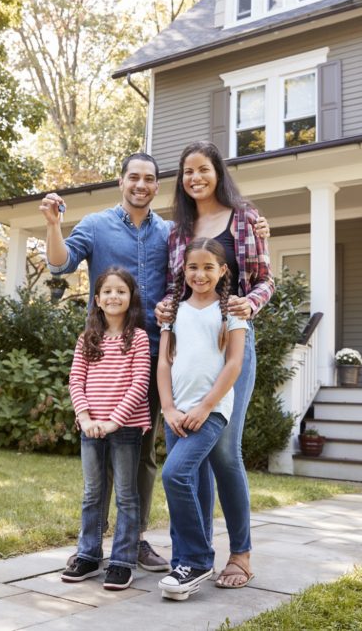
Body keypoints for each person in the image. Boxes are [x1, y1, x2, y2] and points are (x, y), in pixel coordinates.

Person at [42, 153, 172, 572]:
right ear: (121, 182)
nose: (141, 184)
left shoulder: (169, 233)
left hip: (154, 358)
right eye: (134, 177)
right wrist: (52, 225)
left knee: (143, 456)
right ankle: (91, 546)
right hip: (105, 359)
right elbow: (59, 264)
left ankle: (133, 541)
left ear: (156, 186)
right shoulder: (97, 225)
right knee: (100, 455)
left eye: (149, 179)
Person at [155, 140, 274, 590]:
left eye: (202, 169)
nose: (195, 178)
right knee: (193, 455)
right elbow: (174, 286)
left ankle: (240, 554)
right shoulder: (177, 229)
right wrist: (166, 311)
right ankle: (196, 555)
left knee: (225, 451)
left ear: (217, 172)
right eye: (187, 172)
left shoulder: (244, 217)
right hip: (189, 344)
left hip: (231, 339)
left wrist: (248, 305)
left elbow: (265, 280)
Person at [156, 237, 247, 601]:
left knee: (174, 474)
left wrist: (206, 406)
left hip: (209, 412)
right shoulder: (172, 311)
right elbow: (164, 363)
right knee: (186, 481)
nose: (200, 273)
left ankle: (197, 559)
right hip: (176, 411)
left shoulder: (232, 312)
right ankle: (184, 564)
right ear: (184, 269)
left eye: (209, 267)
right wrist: (168, 408)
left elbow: (235, 364)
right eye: (193, 266)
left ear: (222, 271)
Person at [61, 267, 152, 590]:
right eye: (108, 292)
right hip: (91, 426)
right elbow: (76, 380)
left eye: (121, 291)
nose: (114, 296)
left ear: (131, 298)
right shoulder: (88, 338)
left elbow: (141, 382)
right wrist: (85, 418)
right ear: (97, 300)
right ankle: (87, 555)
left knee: (126, 496)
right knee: (92, 494)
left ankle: (123, 561)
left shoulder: (138, 338)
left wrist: (116, 419)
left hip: (124, 427)